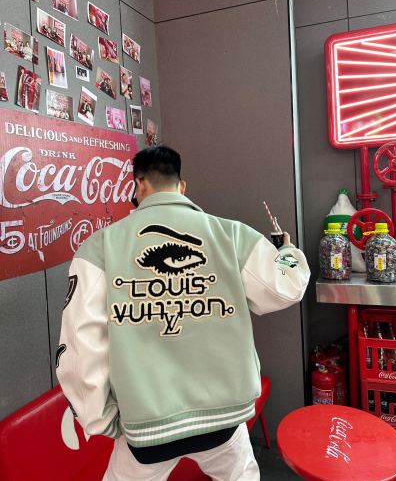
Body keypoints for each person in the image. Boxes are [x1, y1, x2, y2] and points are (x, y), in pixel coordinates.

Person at [56, 145, 310, 481]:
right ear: (182, 186)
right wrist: (287, 250)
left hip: (146, 431)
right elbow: (287, 285)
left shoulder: (99, 248)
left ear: (139, 184)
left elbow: (80, 346)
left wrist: (100, 419)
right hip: (223, 423)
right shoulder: (231, 235)